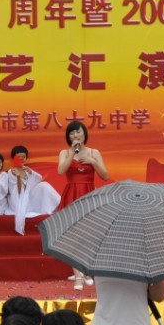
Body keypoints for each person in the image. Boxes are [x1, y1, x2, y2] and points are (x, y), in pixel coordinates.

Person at [57, 121, 109, 290]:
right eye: (72, 133)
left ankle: (85, 271)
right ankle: (78, 276)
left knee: (88, 234)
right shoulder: (65, 152)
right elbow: (61, 171)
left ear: (84, 133)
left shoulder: (94, 152)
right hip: (72, 194)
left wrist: (92, 161)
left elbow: (105, 175)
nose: (75, 135)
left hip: (88, 194)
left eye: (78, 132)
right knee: (72, 235)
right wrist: (72, 153)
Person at [5, 145, 59, 235]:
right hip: (17, 201)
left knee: (44, 186)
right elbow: (17, 191)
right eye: (18, 157)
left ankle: (60, 206)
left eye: (23, 156)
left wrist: (31, 171)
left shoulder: (26, 170)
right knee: (42, 186)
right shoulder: (11, 172)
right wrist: (18, 176)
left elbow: (39, 179)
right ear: (13, 158)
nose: (21, 158)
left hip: (28, 198)